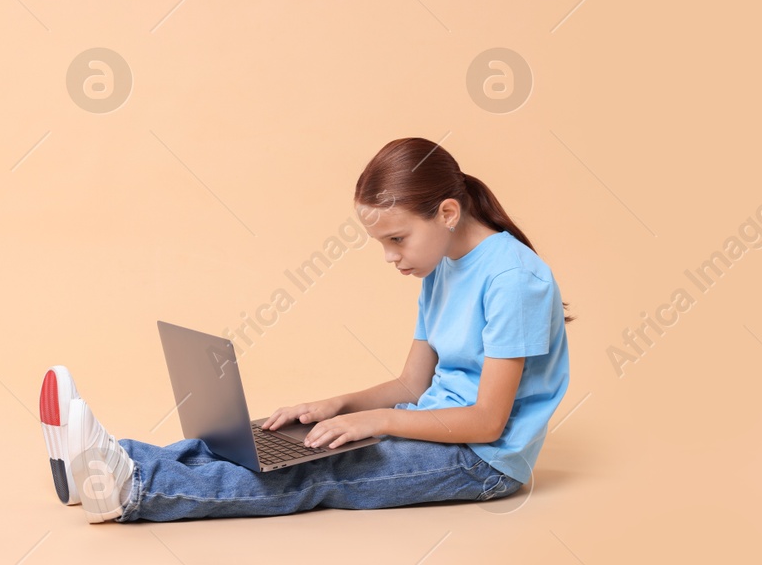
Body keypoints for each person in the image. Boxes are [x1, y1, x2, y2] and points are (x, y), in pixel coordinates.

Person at [39, 138, 573, 523]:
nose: (391, 257)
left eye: (397, 239)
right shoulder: (444, 265)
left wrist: (377, 422)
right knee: (266, 444)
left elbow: (486, 422)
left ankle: (135, 489)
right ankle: (115, 462)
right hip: (428, 426)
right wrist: (336, 406)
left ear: (448, 212)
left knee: (315, 474)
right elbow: (413, 387)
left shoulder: (513, 280)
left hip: (481, 463)